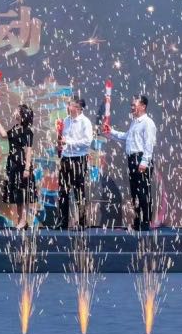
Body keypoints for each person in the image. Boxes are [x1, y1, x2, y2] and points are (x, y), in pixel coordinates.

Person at [105, 95, 157, 231]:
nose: (132, 107)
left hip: (141, 159)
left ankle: (145, 223)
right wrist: (111, 132)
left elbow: (149, 144)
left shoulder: (147, 123)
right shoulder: (134, 122)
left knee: (143, 192)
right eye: (132, 105)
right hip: (132, 159)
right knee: (135, 192)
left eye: (134, 105)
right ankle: (138, 221)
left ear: (143, 106)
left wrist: (144, 161)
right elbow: (126, 138)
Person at [0, 104, 37, 229]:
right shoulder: (15, 128)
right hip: (12, 163)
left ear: (22, 114)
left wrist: (27, 168)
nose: (14, 111)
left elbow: (29, 150)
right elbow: (4, 134)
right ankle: (20, 221)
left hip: (21, 163)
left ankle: (23, 220)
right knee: (17, 194)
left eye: (17, 110)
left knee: (24, 194)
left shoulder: (27, 131)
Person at [58, 94, 94, 230]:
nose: (68, 107)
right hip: (66, 158)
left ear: (78, 108)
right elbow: (65, 139)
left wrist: (69, 142)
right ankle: (63, 222)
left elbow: (87, 142)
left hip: (78, 159)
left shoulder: (85, 122)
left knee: (79, 192)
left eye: (70, 105)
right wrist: (62, 146)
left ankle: (82, 222)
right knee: (63, 191)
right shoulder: (66, 120)